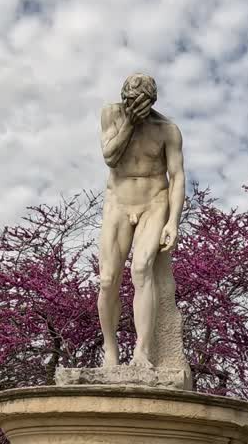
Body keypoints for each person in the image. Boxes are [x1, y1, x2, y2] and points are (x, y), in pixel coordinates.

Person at [97, 73, 185, 368]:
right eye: (129, 101)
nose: (133, 106)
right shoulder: (112, 114)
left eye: (140, 103)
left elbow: (177, 176)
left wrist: (173, 221)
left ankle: (142, 351)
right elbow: (110, 156)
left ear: (151, 102)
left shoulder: (168, 130)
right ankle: (110, 351)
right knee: (108, 280)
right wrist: (129, 124)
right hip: (118, 202)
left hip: (153, 201)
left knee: (141, 268)